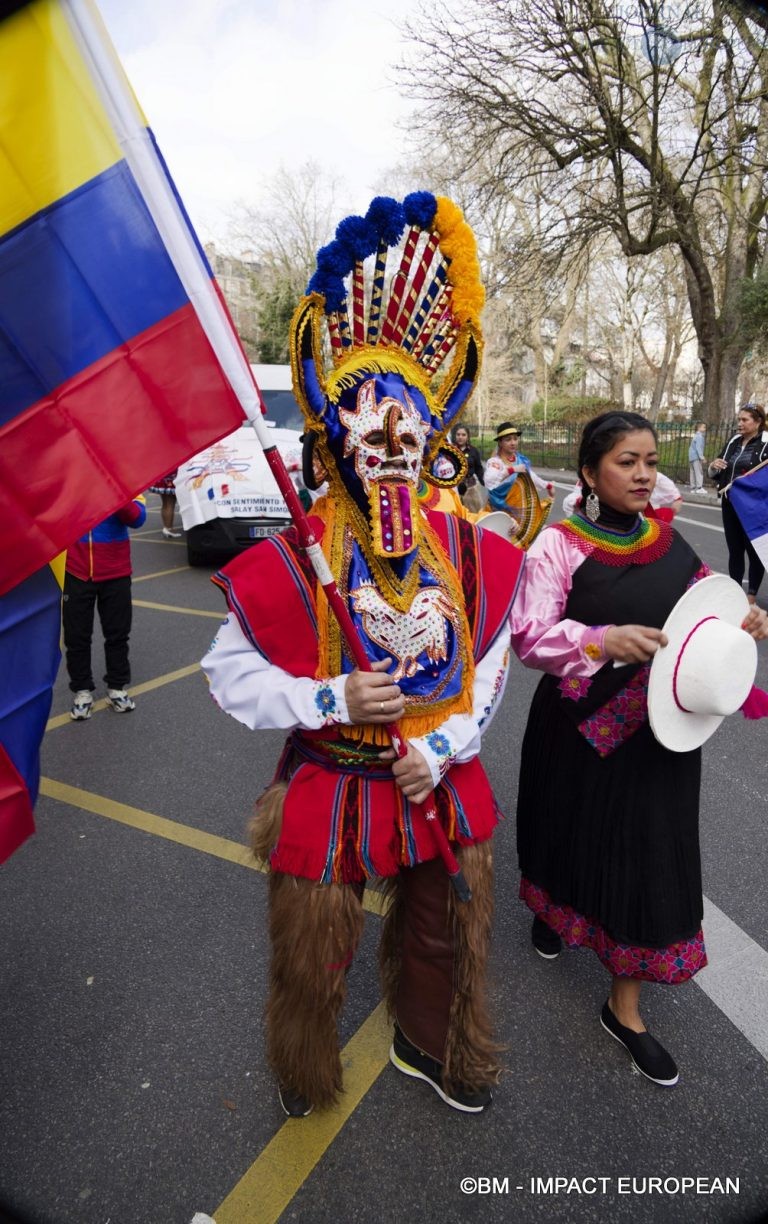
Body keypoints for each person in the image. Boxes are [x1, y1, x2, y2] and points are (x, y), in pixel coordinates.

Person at [201, 192, 523, 1117]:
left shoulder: (464, 550)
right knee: (313, 951)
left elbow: (493, 660)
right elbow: (231, 675)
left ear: (434, 438)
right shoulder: (297, 553)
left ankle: (432, 1044)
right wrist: (332, 697)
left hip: (436, 773)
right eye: (371, 422)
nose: (391, 438)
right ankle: (304, 1070)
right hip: (334, 776)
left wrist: (448, 746)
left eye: (409, 423)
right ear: (332, 436)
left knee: (445, 931)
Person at [509, 411, 767, 1087]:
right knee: (565, 827)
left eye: (651, 460)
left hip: (663, 728)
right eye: (628, 461)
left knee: (650, 853)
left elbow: (704, 605)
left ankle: (624, 1010)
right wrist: (600, 641)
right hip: (578, 726)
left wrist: (743, 616)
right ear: (591, 472)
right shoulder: (558, 548)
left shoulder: (668, 540)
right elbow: (530, 638)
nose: (645, 473)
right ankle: (550, 906)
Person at [63, 496, 146, 719]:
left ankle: (117, 688)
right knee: (76, 636)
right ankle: (82, 691)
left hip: (116, 571)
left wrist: (117, 495)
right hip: (75, 572)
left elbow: (138, 518)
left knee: (117, 633)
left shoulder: (123, 483)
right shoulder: (72, 484)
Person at [708, 403, 768, 604]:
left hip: (754, 507)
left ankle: (750, 596)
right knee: (735, 550)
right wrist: (713, 466)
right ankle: (735, 594)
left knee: (754, 550)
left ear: (758, 421)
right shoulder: (734, 440)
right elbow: (718, 470)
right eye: (739, 419)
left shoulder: (766, 443)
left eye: (745, 420)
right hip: (730, 503)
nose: (739, 424)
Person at [484, 422, 553, 500]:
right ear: (500, 443)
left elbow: (531, 477)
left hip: (518, 504)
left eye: (515, 439)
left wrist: (548, 486)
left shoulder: (520, 459)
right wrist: (512, 470)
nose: (513, 443)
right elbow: (489, 480)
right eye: (508, 439)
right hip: (499, 507)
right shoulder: (495, 462)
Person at [451, 424, 485, 497]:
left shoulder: (473, 451)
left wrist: (483, 483)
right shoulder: (451, 450)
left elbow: (479, 468)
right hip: (455, 487)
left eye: (463, 435)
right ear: (455, 436)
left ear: (468, 437)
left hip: (471, 486)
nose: (460, 437)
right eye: (458, 434)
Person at [148, 470, 180, 538]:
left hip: (162, 475)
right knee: (170, 503)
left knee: (165, 503)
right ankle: (169, 529)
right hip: (170, 477)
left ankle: (166, 527)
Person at [688, 422, 707, 492]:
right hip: (696, 457)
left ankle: (693, 488)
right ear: (699, 428)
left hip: (691, 457)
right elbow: (698, 448)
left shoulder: (695, 436)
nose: (705, 429)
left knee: (692, 472)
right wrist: (702, 458)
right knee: (699, 472)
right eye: (703, 427)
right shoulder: (699, 436)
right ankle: (699, 488)